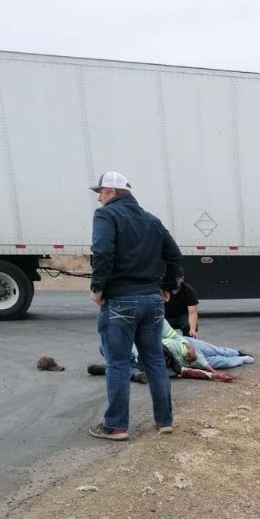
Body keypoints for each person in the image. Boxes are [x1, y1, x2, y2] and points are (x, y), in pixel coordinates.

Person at [88, 170, 182, 441]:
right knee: (154, 360)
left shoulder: (106, 215)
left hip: (120, 300)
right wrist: (166, 287)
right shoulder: (152, 221)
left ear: (112, 193)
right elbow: (174, 257)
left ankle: (116, 426)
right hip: (152, 301)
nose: (99, 200)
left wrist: (98, 287)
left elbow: (103, 252)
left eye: (100, 194)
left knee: (117, 363)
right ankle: (164, 421)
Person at [161, 320, 254, 376]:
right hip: (193, 361)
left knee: (218, 350)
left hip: (189, 345)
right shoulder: (166, 366)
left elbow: (176, 337)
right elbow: (184, 370)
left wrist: (213, 372)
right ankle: (242, 359)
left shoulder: (169, 345)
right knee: (224, 362)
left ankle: (237, 353)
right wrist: (214, 373)